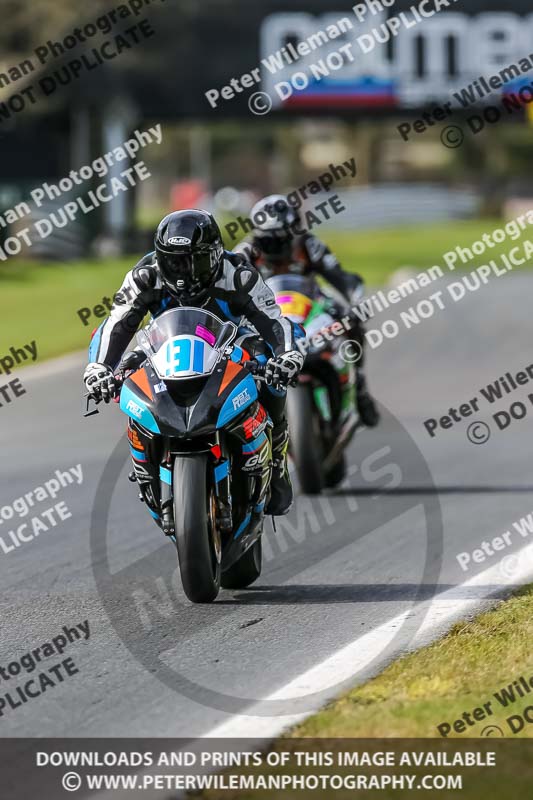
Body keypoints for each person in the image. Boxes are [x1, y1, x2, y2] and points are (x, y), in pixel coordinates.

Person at [83, 209, 304, 517]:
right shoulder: (145, 275)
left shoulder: (238, 274)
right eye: (173, 261)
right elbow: (116, 324)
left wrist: (287, 356)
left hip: (230, 344)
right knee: (127, 373)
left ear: (214, 256)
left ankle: (277, 457)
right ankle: (147, 463)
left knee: (268, 367)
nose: (182, 272)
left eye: (193, 260)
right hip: (166, 346)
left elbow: (273, 321)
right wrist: (99, 369)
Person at [234, 194, 379, 428]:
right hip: (266, 310)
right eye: (268, 241)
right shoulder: (245, 252)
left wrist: (356, 301)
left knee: (352, 321)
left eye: (281, 239)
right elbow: (226, 288)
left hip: (310, 301)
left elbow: (341, 277)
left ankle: (360, 386)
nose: (276, 247)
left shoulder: (309, 245)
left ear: (294, 231)